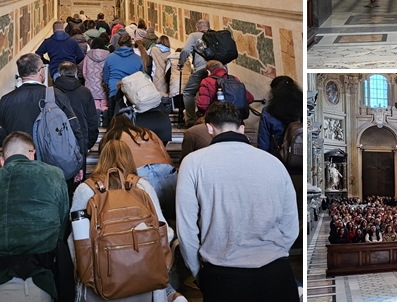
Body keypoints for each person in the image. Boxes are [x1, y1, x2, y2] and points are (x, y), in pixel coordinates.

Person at [176, 102, 299, 301]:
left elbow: (187, 230)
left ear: (209, 128)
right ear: (242, 128)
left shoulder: (193, 163)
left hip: (223, 277)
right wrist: (273, 253)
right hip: (277, 275)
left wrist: (198, 272)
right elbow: (291, 224)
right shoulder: (273, 162)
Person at [0, 132, 69, 302]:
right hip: (32, 286)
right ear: (32, 154)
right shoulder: (53, 176)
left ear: (1, 161)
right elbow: (60, 231)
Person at [69, 139, 175, 301]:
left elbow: (75, 242)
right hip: (145, 283)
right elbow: (165, 233)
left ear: (101, 158)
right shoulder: (142, 187)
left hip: (99, 286)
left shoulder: (86, 190)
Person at [0, 53, 84, 169]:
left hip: (19, 167)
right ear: (41, 71)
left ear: (20, 74)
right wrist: (79, 164)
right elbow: (74, 128)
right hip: (52, 166)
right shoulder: (56, 95)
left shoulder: (5, 101)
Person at [101, 115, 176, 223]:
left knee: (151, 219)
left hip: (140, 174)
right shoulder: (147, 132)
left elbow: (108, 165)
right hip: (166, 170)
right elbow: (164, 153)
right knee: (173, 214)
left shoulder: (111, 136)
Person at [53, 62, 98, 182]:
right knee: (78, 181)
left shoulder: (50, 93)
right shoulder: (85, 92)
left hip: (57, 141)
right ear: (76, 73)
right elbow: (92, 120)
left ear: (59, 74)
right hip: (80, 140)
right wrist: (89, 143)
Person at [257, 76, 303, 155]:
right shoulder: (303, 108)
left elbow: (263, 144)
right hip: (299, 156)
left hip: (278, 156)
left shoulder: (267, 112)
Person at [178, 19, 210, 128]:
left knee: (188, 92)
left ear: (197, 28)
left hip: (202, 69)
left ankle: (191, 120)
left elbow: (186, 50)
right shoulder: (215, 35)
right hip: (219, 69)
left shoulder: (194, 35)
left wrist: (181, 64)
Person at [103, 34, 144, 118]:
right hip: (131, 94)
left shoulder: (110, 57)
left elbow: (106, 77)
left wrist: (110, 86)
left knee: (113, 122)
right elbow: (141, 78)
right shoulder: (138, 59)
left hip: (114, 91)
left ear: (118, 44)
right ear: (131, 45)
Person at [82, 36, 110, 116]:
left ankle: (96, 111)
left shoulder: (88, 56)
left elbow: (84, 71)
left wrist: (88, 80)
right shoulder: (108, 55)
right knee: (104, 103)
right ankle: (105, 111)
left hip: (91, 85)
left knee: (95, 104)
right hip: (104, 85)